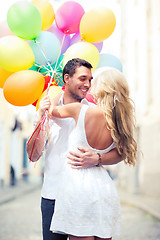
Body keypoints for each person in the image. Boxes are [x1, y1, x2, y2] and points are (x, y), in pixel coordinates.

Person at [26, 59, 122, 240]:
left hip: (85, 195)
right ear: (66, 78)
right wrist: (41, 118)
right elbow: (33, 154)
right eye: (83, 78)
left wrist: (98, 159)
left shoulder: (95, 111)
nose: (87, 85)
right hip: (53, 195)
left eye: (90, 80)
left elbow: (119, 153)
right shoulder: (47, 110)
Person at [48, 67, 137, 240]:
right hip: (103, 188)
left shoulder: (79, 110)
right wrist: (98, 159)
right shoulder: (119, 122)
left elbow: (52, 112)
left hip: (77, 188)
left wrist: (56, 94)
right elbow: (121, 153)